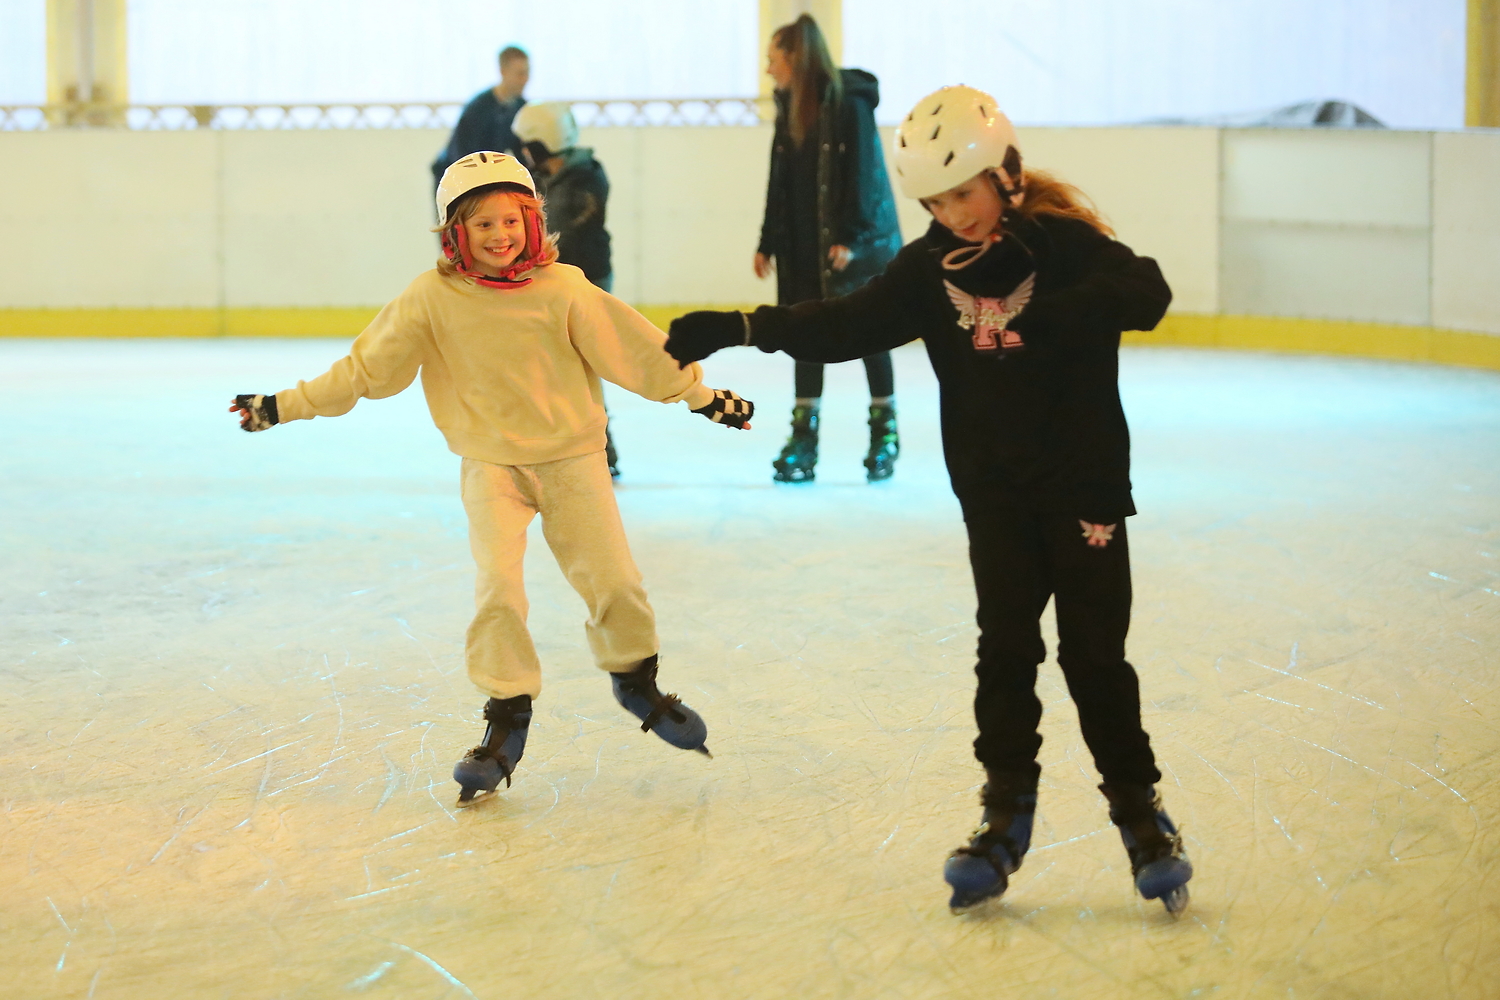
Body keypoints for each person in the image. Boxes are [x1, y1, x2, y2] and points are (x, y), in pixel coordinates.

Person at [665, 87, 1194, 914]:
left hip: (1083, 489)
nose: (952, 213)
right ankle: (1003, 818)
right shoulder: (926, 270)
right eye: (935, 200)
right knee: (1006, 651)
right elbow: (841, 327)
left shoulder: (1066, 246)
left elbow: (1149, 292)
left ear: (1007, 176)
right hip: (993, 495)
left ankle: (1140, 816)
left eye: (964, 193)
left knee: (1094, 661)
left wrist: (1067, 314)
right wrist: (740, 326)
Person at [229, 152, 754, 805]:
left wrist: (702, 397)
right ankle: (507, 715)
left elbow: (639, 352)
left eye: (511, 219)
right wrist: (282, 405)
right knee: (498, 592)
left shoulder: (565, 290)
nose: (499, 235)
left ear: (533, 221)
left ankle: (635, 678)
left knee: (614, 579)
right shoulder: (431, 298)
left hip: (572, 458)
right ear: (456, 232)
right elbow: (364, 371)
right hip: (489, 463)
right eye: (482, 224)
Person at [755, 14, 903, 483]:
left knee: (870, 335)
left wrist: (852, 238)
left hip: (848, 248)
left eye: (772, 59)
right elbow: (780, 180)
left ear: (795, 57)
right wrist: (767, 241)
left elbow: (864, 172)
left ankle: (884, 435)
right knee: (806, 338)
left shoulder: (848, 104)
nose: (768, 69)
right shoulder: (789, 104)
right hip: (801, 247)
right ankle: (804, 439)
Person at [513, 101, 622, 477]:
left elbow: (561, 236)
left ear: (543, 145)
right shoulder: (553, 177)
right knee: (558, 365)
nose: (524, 152)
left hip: (584, 282)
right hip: (566, 282)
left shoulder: (583, 179)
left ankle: (599, 448)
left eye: (529, 145)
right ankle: (580, 445)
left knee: (582, 365)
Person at [431, 46, 530, 187]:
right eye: (520, 74)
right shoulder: (478, 109)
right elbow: (461, 156)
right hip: (453, 179)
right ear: (503, 72)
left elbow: (521, 151)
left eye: (527, 73)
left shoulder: (520, 107)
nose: (525, 80)